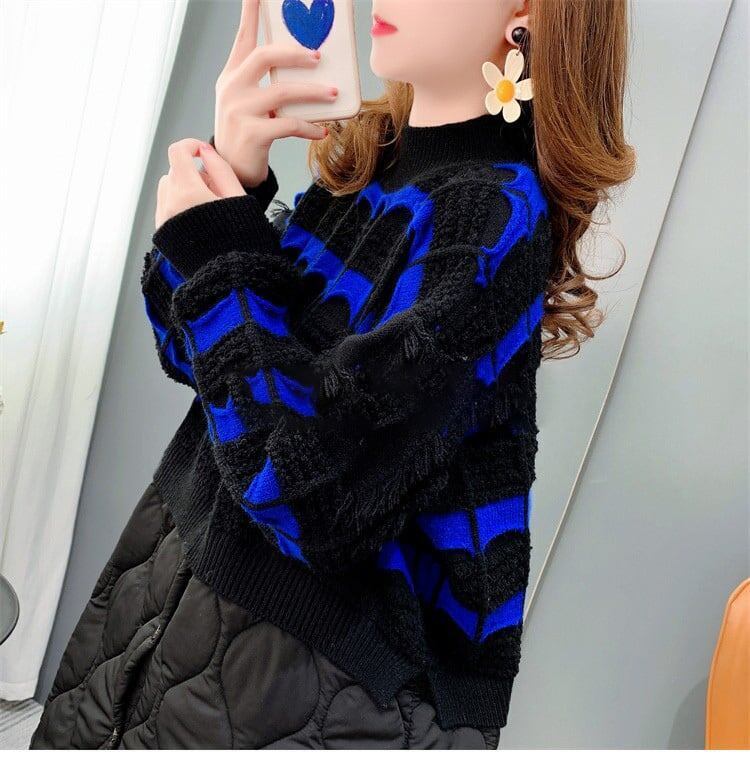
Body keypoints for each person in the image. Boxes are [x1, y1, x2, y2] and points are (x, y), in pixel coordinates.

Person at [31, 0, 635, 750]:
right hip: (170, 580)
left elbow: (309, 494)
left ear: (525, 9)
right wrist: (233, 180)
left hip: (307, 677)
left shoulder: (493, 218)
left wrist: (216, 243)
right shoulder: (371, 156)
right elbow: (197, 360)